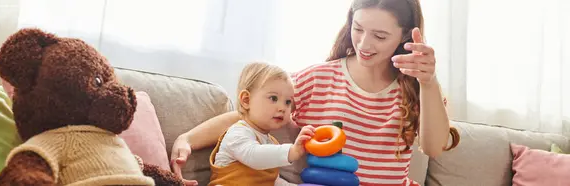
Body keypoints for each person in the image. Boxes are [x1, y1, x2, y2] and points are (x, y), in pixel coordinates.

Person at [172, 0, 461, 185]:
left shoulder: (416, 89)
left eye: (381, 36)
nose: (364, 43)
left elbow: (433, 148)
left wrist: (428, 81)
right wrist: (187, 138)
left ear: (405, 35)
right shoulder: (319, 79)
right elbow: (249, 116)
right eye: (358, 29)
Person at [208, 62, 314, 186]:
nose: (282, 108)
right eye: (273, 98)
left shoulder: (270, 142)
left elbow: (272, 180)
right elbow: (253, 155)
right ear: (246, 100)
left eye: (287, 102)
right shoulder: (237, 133)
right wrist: (292, 151)